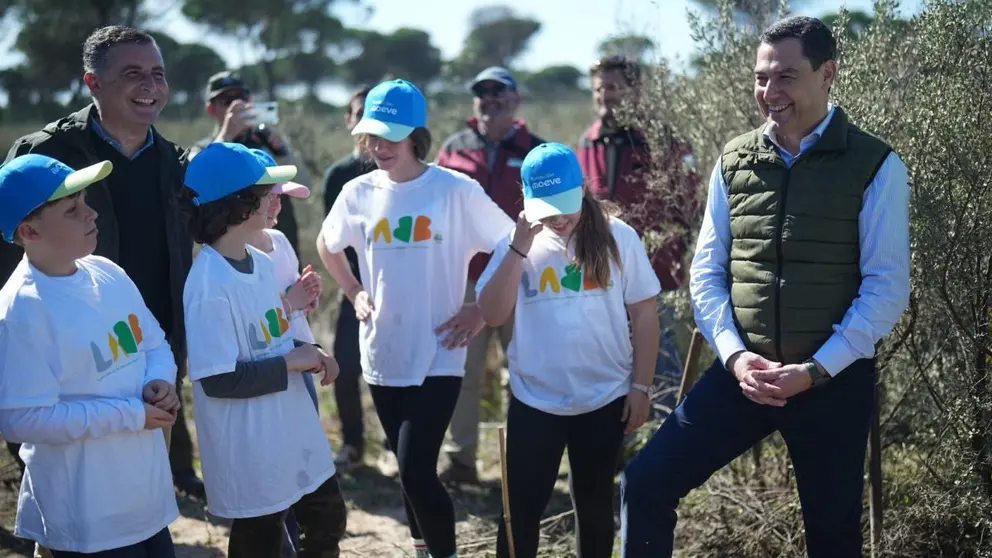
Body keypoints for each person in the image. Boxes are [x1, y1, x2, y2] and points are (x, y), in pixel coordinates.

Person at [620, 17, 911, 558]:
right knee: (645, 483)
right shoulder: (733, 161)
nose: (769, 93)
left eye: (786, 77)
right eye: (760, 78)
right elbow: (705, 273)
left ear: (828, 74)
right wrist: (734, 357)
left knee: (833, 540)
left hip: (831, 382)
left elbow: (887, 288)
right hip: (743, 375)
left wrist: (815, 369)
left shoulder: (876, 165)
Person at [0, 25, 203, 500]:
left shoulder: (176, 162)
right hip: (70, 360)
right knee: (72, 492)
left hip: (150, 348)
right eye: (133, 74)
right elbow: (9, 259)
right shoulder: (43, 155)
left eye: (157, 73)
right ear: (92, 83)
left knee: (140, 487)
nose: (150, 86)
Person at [317, 79, 514, 558]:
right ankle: (423, 547)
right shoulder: (357, 192)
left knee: (416, 467)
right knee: (410, 472)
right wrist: (354, 290)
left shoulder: (454, 189)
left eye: (389, 136)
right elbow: (328, 244)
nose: (378, 146)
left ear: (415, 135)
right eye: (371, 136)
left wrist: (479, 307)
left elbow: (511, 244)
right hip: (382, 351)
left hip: (441, 352)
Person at [476, 143, 661, 558]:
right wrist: (519, 247)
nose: (558, 219)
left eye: (566, 205)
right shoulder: (516, 244)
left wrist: (642, 387)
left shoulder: (619, 238)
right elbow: (491, 313)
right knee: (519, 511)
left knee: (594, 507)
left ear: (583, 190)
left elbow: (645, 315)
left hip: (604, 398)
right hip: (535, 400)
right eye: (546, 208)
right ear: (525, 202)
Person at [0, 154, 180, 557]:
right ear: (29, 230)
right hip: (86, 522)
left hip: (145, 501)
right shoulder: (22, 309)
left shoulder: (106, 272)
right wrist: (131, 414)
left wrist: (160, 382)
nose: (92, 213)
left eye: (85, 201)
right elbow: (21, 419)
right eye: (72, 210)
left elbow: (154, 345)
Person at [180, 142, 346, 558]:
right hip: (252, 445)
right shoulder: (208, 284)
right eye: (264, 192)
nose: (276, 199)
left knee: (327, 517)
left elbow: (269, 332)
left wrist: (311, 351)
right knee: (262, 538)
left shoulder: (258, 261)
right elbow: (218, 379)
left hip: (288, 427)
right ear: (237, 206)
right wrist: (292, 361)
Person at [434, 66, 546, 484]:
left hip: (522, 277)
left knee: (523, 370)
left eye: (500, 92)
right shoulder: (452, 148)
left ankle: (523, 457)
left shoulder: (536, 150)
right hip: (463, 281)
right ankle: (460, 459)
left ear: (516, 100)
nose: (490, 98)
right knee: (462, 372)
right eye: (482, 92)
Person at [578, 55, 699, 412]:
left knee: (661, 369)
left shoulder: (664, 140)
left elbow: (688, 205)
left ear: (636, 90)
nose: (604, 96)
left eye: (613, 88)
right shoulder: (587, 140)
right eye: (599, 89)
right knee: (607, 369)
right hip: (599, 275)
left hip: (657, 273)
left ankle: (664, 449)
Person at [321, 85, 377, 468]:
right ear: (349, 120)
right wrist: (351, 287)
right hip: (352, 287)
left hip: (396, 287)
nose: (366, 121)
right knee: (344, 366)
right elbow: (333, 239)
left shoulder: (403, 169)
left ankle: (396, 444)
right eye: (359, 113)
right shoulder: (338, 174)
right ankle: (353, 444)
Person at [191, 71, 301, 258]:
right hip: (234, 257)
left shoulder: (266, 142)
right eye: (227, 101)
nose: (237, 106)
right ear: (211, 109)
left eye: (242, 98)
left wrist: (281, 149)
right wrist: (226, 135)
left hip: (280, 245)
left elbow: (303, 183)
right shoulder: (203, 149)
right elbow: (195, 182)